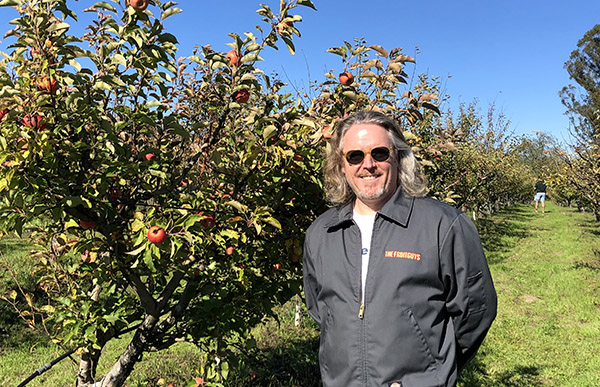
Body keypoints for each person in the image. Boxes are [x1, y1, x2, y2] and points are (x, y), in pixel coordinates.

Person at [303, 111, 497, 387]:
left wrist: (433, 371)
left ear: (398, 157)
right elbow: (321, 311)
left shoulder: (443, 225)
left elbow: (475, 312)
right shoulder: (321, 233)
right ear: (342, 166)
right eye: (355, 156)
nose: (367, 164)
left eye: (379, 153)